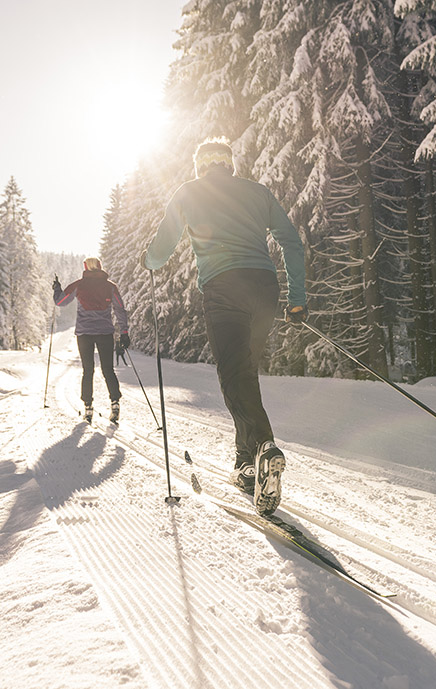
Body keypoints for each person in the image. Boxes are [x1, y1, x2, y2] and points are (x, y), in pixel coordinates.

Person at [144, 138, 306, 515]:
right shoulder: (257, 192)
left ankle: (264, 447)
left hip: (223, 288)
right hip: (264, 288)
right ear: (229, 164)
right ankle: (244, 463)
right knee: (244, 373)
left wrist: (149, 260)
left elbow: (162, 247)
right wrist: (297, 300)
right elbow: (292, 243)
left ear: (201, 166)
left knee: (234, 375)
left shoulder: (188, 192)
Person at [53, 257, 130, 423]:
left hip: (84, 333)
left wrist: (57, 289)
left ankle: (88, 407)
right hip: (105, 333)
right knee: (108, 370)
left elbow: (60, 302)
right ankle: (115, 404)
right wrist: (123, 332)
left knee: (88, 370)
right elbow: (120, 310)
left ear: (86, 267)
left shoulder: (79, 285)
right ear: (100, 267)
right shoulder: (110, 287)